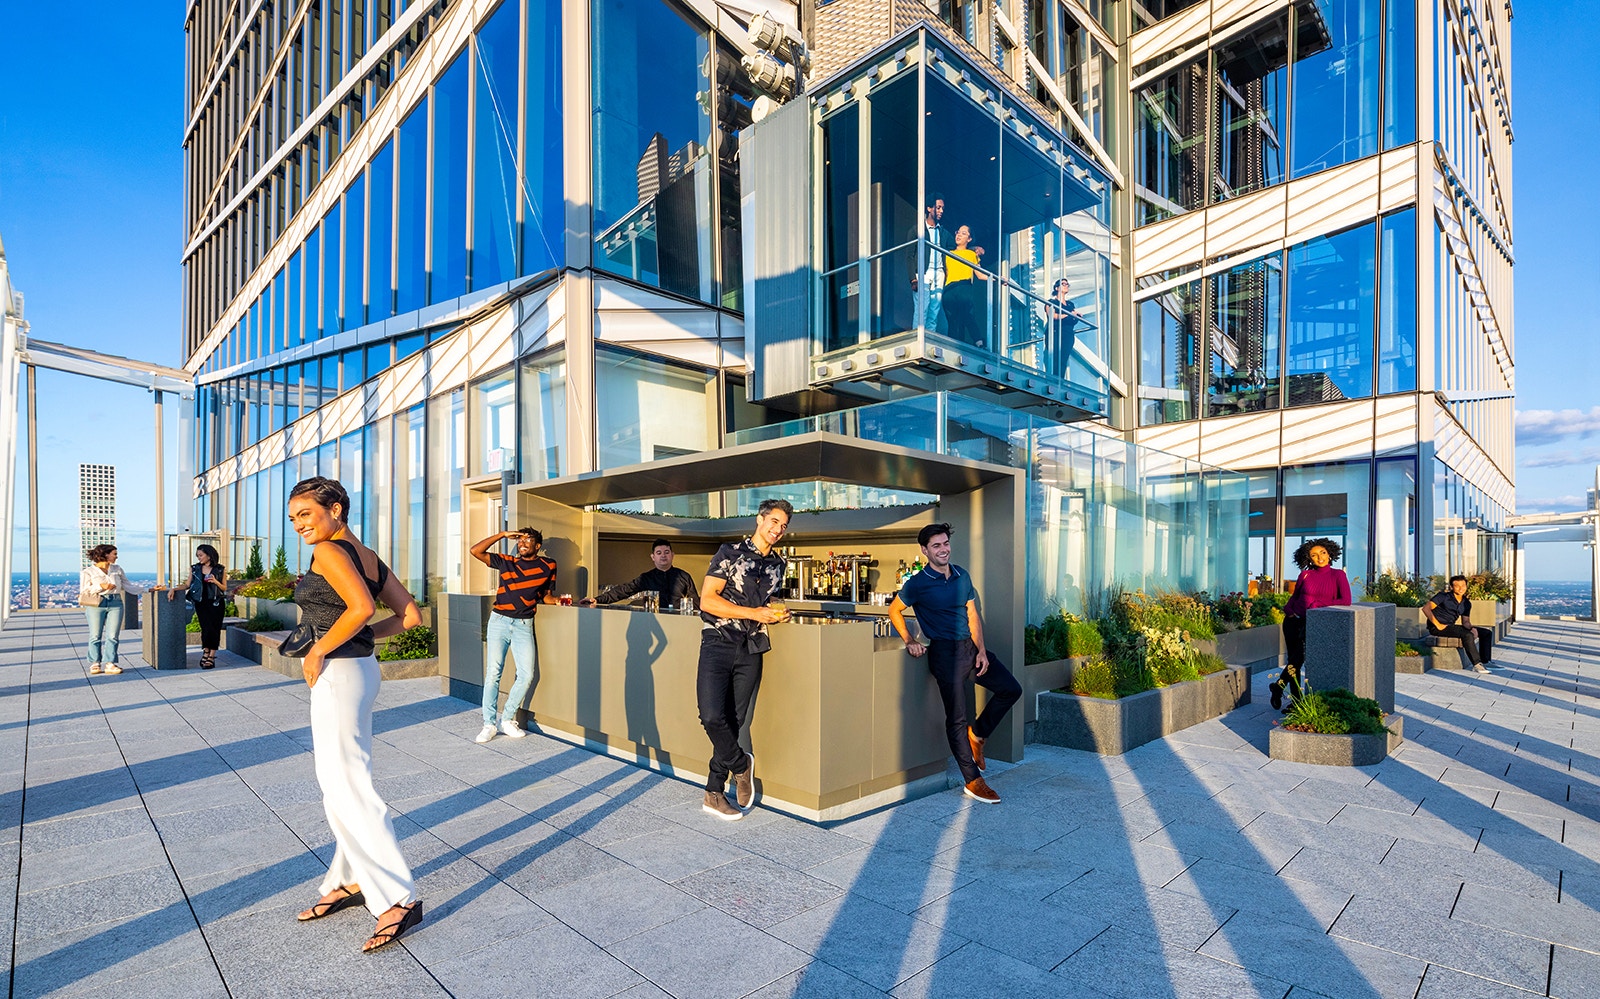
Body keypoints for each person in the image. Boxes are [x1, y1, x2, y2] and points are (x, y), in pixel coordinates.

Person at [288, 476, 424, 954]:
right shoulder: (367, 555)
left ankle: (397, 897)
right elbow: (410, 616)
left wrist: (318, 650)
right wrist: (360, 640)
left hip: (340, 676)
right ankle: (348, 879)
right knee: (342, 781)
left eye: (306, 514)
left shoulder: (329, 551)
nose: (300, 525)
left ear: (336, 509)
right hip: (360, 671)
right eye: (294, 518)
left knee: (348, 785)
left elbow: (361, 607)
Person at [888, 523, 1021, 805]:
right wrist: (910, 639)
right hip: (945, 654)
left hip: (970, 649)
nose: (943, 549)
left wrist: (982, 651)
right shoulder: (917, 583)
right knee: (957, 718)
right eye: (936, 546)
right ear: (924, 550)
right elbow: (894, 609)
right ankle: (973, 781)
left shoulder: (962, 575)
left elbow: (972, 614)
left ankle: (979, 734)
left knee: (1011, 689)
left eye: (945, 543)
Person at [696, 499, 793, 820]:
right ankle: (741, 765)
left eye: (783, 525)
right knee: (711, 716)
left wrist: (779, 610)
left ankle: (713, 792)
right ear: (760, 519)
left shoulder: (778, 564)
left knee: (734, 721)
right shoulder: (729, 552)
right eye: (774, 521)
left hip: (751, 647)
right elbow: (707, 600)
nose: (778, 529)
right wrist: (753, 612)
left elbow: (768, 600)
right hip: (718, 641)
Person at [469, 527, 559, 744]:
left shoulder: (549, 565)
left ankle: (507, 719)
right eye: (520, 540)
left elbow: (546, 596)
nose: (522, 543)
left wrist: (564, 602)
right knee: (493, 673)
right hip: (499, 621)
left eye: (528, 540)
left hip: (523, 624)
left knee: (526, 674)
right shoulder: (506, 561)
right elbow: (475, 551)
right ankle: (489, 724)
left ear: (537, 546)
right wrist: (502, 535)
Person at [1271, 538, 1353, 710]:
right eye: (1314, 555)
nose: (1319, 557)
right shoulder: (1305, 575)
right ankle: (1296, 702)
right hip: (1292, 621)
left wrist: (1317, 605)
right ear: (1309, 559)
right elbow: (1295, 597)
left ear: (1330, 553)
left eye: (1322, 553)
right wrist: (1288, 608)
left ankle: (1278, 687)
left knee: (1298, 659)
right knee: (1295, 660)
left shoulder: (1338, 575)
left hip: (1313, 623)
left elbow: (1345, 600)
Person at [79, 543, 153, 675]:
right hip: (96, 602)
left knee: (113, 635)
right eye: (114, 554)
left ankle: (110, 663)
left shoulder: (117, 569)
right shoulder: (88, 572)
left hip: (116, 602)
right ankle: (95, 663)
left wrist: (148, 589)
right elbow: (84, 590)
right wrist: (101, 587)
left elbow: (128, 586)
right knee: (95, 635)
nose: (116, 556)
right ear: (105, 554)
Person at [582, 538, 699, 610]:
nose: (663, 555)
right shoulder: (647, 578)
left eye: (666, 552)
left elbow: (695, 603)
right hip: (654, 621)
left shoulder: (684, 576)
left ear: (672, 555)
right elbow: (624, 590)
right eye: (659, 553)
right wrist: (598, 600)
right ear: (653, 557)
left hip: (680, 622)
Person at [168, 543, 228, 669]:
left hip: (216, 602)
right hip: (201, 602)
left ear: (209, 555)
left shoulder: (220, 569)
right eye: (197, 555)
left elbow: (224, 588)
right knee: (205, 628)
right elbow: (187, 585)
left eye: (201, 555)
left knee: (214, 628)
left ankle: (211, 656)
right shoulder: (195, 568)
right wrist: (174, 589)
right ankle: (206, 651)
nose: (199, 558)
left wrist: (215, 581)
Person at [1424, 575, 1496, 674]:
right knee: (1467, 635)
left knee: (1486, 633)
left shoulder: (1466, 603)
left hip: (1450, 626)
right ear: (1451, 587)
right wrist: (1438, 624)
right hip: (1437, 627)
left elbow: (1465, 622)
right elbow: (1426, 609)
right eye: (1457, 586)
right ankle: (1476, 664)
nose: (1461, 588)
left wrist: (1472, 628)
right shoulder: (1443, 596)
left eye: (1463, 585)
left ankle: (1486, 661)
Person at [941, 225, 988, 349]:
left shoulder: (971, 254)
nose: (959, 235)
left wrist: (998, 279)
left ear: (969, 239)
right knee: (953, 320)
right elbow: (945, 273)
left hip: (964, 287)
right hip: (949, 289)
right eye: (958, 232)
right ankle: (954, 345)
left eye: (963, 233)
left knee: (966, 315)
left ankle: (978, 342)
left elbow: (980, 274)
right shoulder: (947, 253)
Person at [911, 194, 952, 334]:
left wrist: (973, 248)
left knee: (934, 310)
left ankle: (930, 339)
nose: (941, 211)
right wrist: (912, 278)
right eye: (938, 207)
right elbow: (909, 256)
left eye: (943, 208)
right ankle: (917, 337)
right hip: (923, 272)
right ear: (929, 208)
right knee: (922, 307)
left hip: (939, 273)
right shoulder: (917, 230)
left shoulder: (944, 232)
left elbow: (955, 248)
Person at [1046, 278, 1082, 372]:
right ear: (1057, 288)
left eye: (1067, 284)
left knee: (1064, 358)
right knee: (1055, 357)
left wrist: (1075, 315)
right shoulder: (1052, 302)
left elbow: (1073, 319)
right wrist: (1068, 315)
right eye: (1063, 284)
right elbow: (1052, 315)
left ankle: (1060, 380)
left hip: (1068, 333)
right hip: (1056, 332)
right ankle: (1053, 379)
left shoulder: (1070, 304)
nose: (1066, 286)